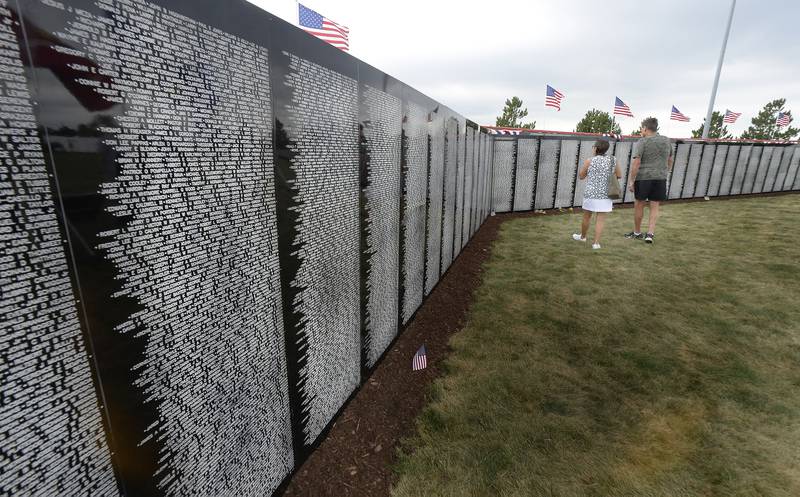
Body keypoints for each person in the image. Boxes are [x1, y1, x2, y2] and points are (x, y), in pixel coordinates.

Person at [624, 117, 673, 244]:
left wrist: (631, 181)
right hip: (660, 177)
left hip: (644, 177)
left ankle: (637, 232)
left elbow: (637, 162)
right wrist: (666, 171)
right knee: (655, 206)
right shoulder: (667, 141)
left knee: (639, 204)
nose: (641, 130)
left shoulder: (643, 141)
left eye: (641, 128)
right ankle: (650, 234)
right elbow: (670, 159)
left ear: (645, 128)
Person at [572, 139, 622, 250]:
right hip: (606, 194)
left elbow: (581, 176)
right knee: (600, 219)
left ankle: (583, 237)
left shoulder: (589, 161)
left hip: (591, 194)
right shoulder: (613, 160)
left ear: (595, 148)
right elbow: (619, 175)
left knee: (586, 217)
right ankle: (596, 243)